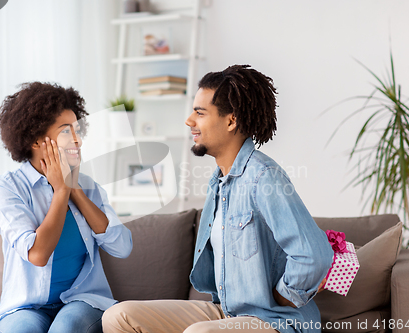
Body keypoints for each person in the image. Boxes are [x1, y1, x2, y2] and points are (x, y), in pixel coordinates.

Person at [102, 65, 333, 333]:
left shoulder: (263, 177)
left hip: (274, 321)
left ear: (231, 121)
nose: (189, 121)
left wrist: (283, 296)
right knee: (119, 316)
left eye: (200, 113)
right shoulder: (218, 183)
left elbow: (314, 256)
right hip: (226, 312)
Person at [0, 82, 133, 333]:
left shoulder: (89, 187)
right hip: (25, 307)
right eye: (66, 131)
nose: (78, 140)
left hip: (83, 300)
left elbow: (122, 247)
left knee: (68, 327)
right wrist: (60, 191)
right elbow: (38, 255)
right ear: (36, 140)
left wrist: (74, 188)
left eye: (78, 129)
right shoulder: (7, 188)